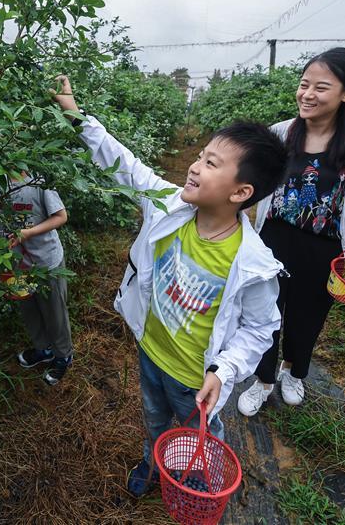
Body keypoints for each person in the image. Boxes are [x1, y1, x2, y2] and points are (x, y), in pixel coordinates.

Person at [50, 75, 289, 497]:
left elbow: (260, 328)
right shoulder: (170, 205)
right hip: (152, 352)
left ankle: (195, 480)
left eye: (212, 163)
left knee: (199, 435)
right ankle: (153, 462)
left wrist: (224, 370)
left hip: (196, 379)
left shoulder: (252, 264)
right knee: (154, 418)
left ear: (242, 192)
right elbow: (122, 163)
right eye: (200, 156)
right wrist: (74, 113)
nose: (195, 166)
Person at [237, 47, 345, 417]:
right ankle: (263, 380)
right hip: (273, 239)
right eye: (304, 85)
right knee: (264, 312)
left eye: (321, 87)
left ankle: (294, 372)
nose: (308, 95)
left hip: (324, 247)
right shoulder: (282, 132)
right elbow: (259, 182)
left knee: (308, 317)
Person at [0, 170, 73, 386]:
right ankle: (43, 349)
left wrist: (28, 233)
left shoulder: (40, 179)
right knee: (29, 310)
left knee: (54, 312)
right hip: (15, 263)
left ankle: (63, 355)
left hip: (46, 262)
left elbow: (60, 216)